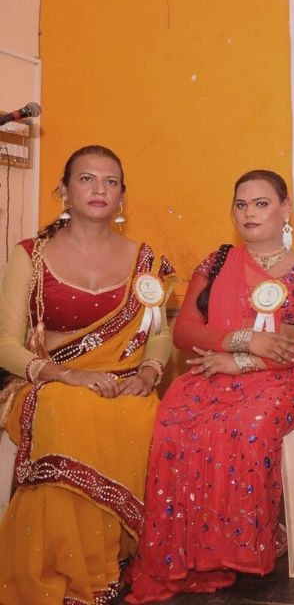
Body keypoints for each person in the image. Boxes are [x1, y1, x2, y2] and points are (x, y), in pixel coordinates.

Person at [125, 170, 294, 601]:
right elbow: (185, 334)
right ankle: (192, 550)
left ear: (285, 208)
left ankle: (242, 543)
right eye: (241, 205)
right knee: (176, 417)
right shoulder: (216, 264)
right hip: (214, 369)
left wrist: (244, 362)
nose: (250, 213)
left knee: (249, 426)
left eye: (261, 203)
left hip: (284, 379)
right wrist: (243, 339)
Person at [0, 145, 176, 605]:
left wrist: (151, 372)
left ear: (122, 197)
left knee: (144, 416)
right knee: (68, 410)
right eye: (86, 179)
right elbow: (5, 346)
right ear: (63, 190)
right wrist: (64, 375)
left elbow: (158, 332)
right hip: (49, 383)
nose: (99, 189)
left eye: (110, 181)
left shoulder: (145, 259)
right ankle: (71, 569)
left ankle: (117, 555)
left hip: (124, 382)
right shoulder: (31, 255)